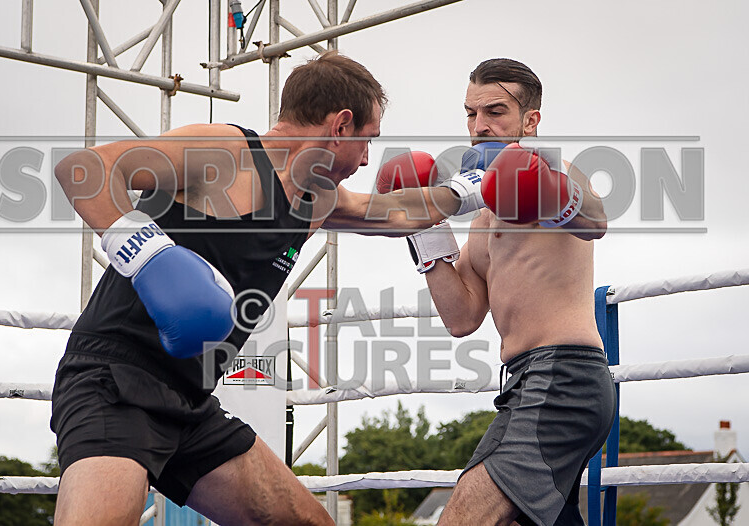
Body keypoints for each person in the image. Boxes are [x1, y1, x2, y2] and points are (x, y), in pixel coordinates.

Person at [50, 51, 487, 526]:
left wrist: (481, 184)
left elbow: (397, 213)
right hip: (115, 381)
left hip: (190, 400)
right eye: (366, 141)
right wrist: (150, 256)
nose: (366, 159)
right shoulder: (226, 152)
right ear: (340, 125)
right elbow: (86, 170)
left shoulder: (316, 199)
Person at [410, 58, 616, 525]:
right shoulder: (483, 220)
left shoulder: (558, 170)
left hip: (564, 377)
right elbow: (460, 317)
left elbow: (597, 223)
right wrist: (426, 226)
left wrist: (539, 187)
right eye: (470, 113)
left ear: (531, 120)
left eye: (495, 112)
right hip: (522, 382)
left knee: (465, 516)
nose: (479, 126)